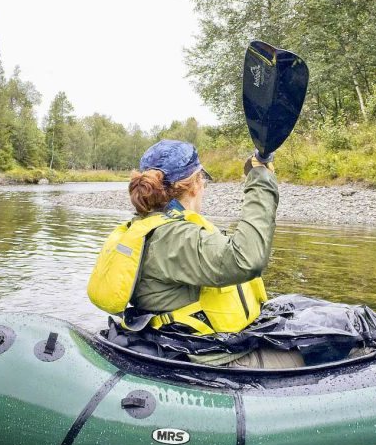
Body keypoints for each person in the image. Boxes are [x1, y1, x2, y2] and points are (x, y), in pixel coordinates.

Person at [89, 138, 304, 368]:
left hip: (178, 341)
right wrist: (260, 177)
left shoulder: (151, 226)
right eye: (203, 181)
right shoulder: (174, 237)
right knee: (313, 352)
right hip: (205, 359)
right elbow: (247, 258)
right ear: (195, 184)